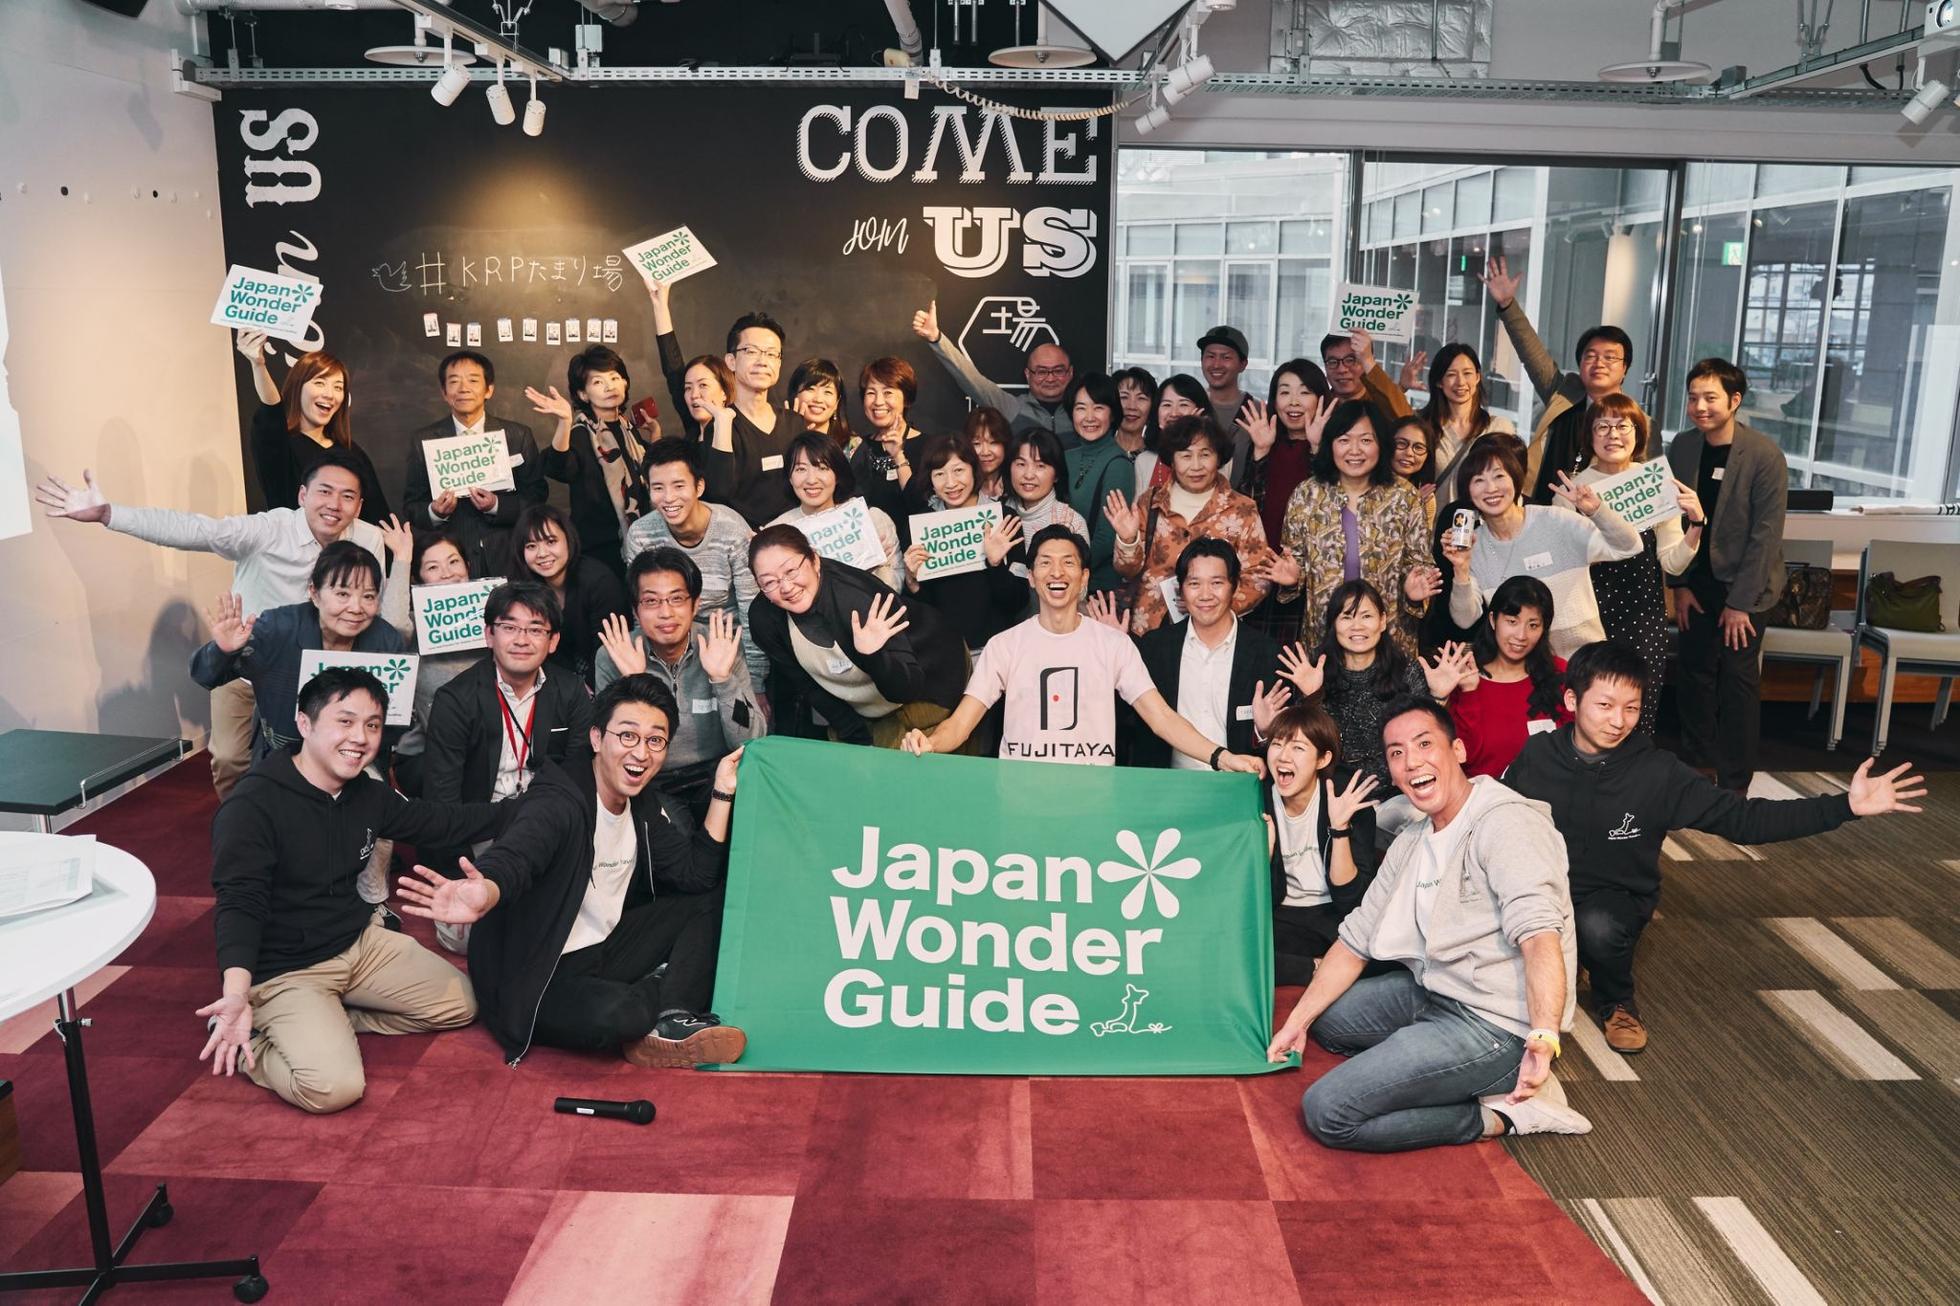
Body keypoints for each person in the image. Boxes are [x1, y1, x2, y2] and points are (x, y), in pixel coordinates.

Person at [1504, 640, 1925, 1053]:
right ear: (1573, 700)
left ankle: (1616, 999)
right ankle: (1570, 953)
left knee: (1600, 927)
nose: (1619, 721)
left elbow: (1746, 820)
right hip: (1543, 890)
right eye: (1605, 705)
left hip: (1613, 897)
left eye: (1631, 708)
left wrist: (1844, 806)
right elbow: (1497, 816)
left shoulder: (1658, 774)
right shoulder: (1539, 754)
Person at [1266, 697, 1590, 1150]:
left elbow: (1539, 936)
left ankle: (1501, 1115)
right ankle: (1438, 1065)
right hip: (1435, 989)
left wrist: (1543, 1034)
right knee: (1328, 1021)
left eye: (1424, 744)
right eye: (1397, 753)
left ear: (1458, 750)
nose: (1412, 762)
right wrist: (1297, 1022)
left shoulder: (1506, 823)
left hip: (1496, 1022)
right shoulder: (1415, 838)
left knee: (1329, 1111)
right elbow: (1356, 938)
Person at [397, 675, 747, 1069]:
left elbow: (695, 874)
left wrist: (722, 790)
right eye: (627, 736)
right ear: (597, 738)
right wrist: (488, 888)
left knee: (711, 901)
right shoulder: (558, 800)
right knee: (622, 1014)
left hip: (602, 946)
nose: (641, 752)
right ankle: (661, 991)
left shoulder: (641, 801)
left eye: (655, 741)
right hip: (540, 972)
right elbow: (520, 852)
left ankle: (672, 1016)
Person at [198, 668, 506, 1114]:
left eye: (373, 725)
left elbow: (440, 822)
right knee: (332, 1088)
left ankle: (332, 1020)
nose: (360, 738)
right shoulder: (252, 807)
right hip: (285, 969)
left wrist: (529, 809)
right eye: (344, 721)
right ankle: (259, 1038)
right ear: (304, 723)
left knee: (463, 1004)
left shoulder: (366, 793)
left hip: (356, 943)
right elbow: (239, 905)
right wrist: (235, 992)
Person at [34, 452, 384, 798]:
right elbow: (198, 530)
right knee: (230, 758)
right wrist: (110, 514)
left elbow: (372, 610)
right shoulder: (267, 530)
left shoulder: (367, 540)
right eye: (325, 491)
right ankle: (240, 822)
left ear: (359, 505)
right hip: (246, 663)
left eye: (347, 496)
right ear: (303, 495)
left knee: (325, 763)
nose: (334, 504)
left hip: (317, 675)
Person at [901, 527, 1266, 771]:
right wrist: (928, 742)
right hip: (1021, 800)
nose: (1056, 572)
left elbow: (1162, 718)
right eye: (1045, 563)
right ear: (1032, 578)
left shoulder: (1114, 645)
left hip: (1093, 804)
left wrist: (1222, 757)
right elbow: (961, 725)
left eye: (1068, 563)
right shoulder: (1005, 646)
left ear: (1084, 577)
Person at [418, 580, 594, 952]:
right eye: (509, 627)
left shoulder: (571, 692)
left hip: (545, 823)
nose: (521, 639)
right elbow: (442, 800)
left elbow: (579, 777)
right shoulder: (456, 699)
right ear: (489, 635)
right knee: (464, 941)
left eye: (535, 629)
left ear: (553, 641)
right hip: (480, 829)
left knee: (570, 927)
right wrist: (460, 871)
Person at [1668, 359, 1788, 792]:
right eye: (1693, 398)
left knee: (1737, 681)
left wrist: (1740, 605)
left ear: (1735, 400)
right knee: (1694, 674)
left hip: (1747, 588)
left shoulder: (1764, 455)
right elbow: (1671, 522)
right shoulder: (1682, 447)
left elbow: (1765, 537)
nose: (1700, 406)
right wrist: (1679, 585)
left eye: (1710, 397)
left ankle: (1735, 782)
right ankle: (1697, 767)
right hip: (1697, 582)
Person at [746, 525, 969, 747]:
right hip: (863, 702)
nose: (785, 587)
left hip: (926, 680)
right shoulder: (764, 618)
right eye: (769, 582)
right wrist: (857, 737)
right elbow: (807, 684)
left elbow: (906, 689)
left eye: (791, 571)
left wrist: (874, 655)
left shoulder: (856, 601)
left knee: (903, 755)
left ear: (814, 560)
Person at [190, 538, 406, 763]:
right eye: (343, 594)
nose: (356, 608)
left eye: (368, 596)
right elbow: (203, 675)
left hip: (357, 760)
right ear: (314, 593)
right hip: (286, 758)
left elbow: (395, 724)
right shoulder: (278, 628)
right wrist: (224, 650)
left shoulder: (386, 640)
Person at [595, 548, 765, 819]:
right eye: (651, 601)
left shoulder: (720, 644)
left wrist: (722, 679)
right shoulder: (615, 654)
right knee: (674, 836)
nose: (666, 613)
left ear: (695, 604)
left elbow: (751, 741)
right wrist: (635, 683)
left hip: (719, 771)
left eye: (676, 599)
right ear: (636, 610)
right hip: (651, 780)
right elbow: (608, 749)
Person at [1258, 400, 1437, 657]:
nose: (1354, 450)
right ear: (1330, 444)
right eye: (1344, 440)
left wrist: (1414, 592)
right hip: (1324, 638)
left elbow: (1419, 563)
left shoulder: (1404, 497)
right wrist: (1293, 580)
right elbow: (1294, 561)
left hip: (1390, 641)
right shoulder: (1306, 495)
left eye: (1366, 440)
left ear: (1381, 444)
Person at [1574, 392, 1706, 736]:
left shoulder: (1654, 482)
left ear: (1639, 434)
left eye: (1623, 426)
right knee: (1589, 707)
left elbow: (1673, 564)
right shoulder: (1574, 488)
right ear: (1590, 435)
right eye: (1603, 426)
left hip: (1642, 614)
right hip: (1587, 612)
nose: (1613, 435)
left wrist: (1696, 524)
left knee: (1636, 710)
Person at [1443, 435, 1642, 659]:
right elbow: (1465, 619)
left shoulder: (1556, 520)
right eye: (1478, 480)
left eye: (1499, 476)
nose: (1491, 488)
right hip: (1524, 668)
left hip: (1583, 662)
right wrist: (1461, 568)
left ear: (1515, 479)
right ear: (1468, 492)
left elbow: (1629, 547)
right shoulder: (1473, 545)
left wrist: (1597, 510)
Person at [1482, 253, 1643, 504]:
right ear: (1580, 363)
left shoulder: (1636, 421)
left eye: (1610, 357)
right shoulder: (1563, 393)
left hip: (1595, 518)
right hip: (1542, 507)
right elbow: (1532, 353)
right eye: (1590, 356)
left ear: (1625, 368)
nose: (1599, 363)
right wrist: (1508, 305)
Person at [1124, 539, 1293, 770]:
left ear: (1234, 586)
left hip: (1236, 781)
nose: (1205, 595)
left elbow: (1286, 742)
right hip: (1167, 784)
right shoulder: (1154, 648)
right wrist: (1113, 652)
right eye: (1194, 583)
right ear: (1181, 589)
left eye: (1216, 583)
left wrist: (1262, 732)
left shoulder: (1267, 653)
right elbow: (1129, 723)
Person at [1284, 579, 1462, 790]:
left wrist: (1439, 696)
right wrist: (1312, 696)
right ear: (1333, 625)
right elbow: (1305, 745)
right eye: (1346, 617)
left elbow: (1426, 736)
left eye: (1366, 616)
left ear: (1383, 621)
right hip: (1337, 791)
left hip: (1402, 791)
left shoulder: (1406, 671)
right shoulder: (1315, 673)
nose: (1357, 626)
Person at [1106, 414, 1273, 636]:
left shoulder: (1242, 509)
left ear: (1219, 458)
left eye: (1205, 455)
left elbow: (1258, 578)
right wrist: (1128, 540)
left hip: (1214, 632)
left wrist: (1210, 606)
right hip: (1149, 628)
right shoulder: (1150, 501)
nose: (1196, 466)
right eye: (1186, 455)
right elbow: (1127, 570)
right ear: (1172, 460)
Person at [620, 438, 766, 687]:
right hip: (670, 650)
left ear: (699, 486)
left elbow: (752, 612)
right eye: (658, 488)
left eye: (679, 486)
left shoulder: (731, 530)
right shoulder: (641, 534)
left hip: (728, 648)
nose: (668, 498)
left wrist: (755, 681)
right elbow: (642, 611)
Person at [1260, 701, 1381, 985]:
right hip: (1283, 916)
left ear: (1323, 759)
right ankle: (1317, 968)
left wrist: (1339, 829)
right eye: (1277, 744)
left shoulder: (1346, 796)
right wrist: (1262, 855)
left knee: (1387, 952)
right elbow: (1247, 899)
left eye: (1298, 748)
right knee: (1238, 950)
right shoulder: (1257, 797)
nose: (1283, 757)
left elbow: (1351, 900)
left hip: (1335, 914)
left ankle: (1327, 967)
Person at [400, 350, 547, 578]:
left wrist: (497, 505)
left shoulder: (517, 436)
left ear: (489, 390)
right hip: (452, 564)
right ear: (444, 393)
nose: (463, 388)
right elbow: (412, 507)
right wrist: (435, 512)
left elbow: (537, 497)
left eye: (473, 380)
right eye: (454, 381)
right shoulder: (423, 440)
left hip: (509, 557)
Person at [525, 345, 653, 580]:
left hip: (644, 544)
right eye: (597, 382)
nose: (609, 386)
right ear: (583, 394)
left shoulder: (629, 430)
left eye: (614, 378)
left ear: (625, 383)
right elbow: (561, 467)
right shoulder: (582, 434)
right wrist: (565, 422)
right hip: (600, 552)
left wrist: (655, 438)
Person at [236, 331, 390, 524]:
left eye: (338, 387)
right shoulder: (279, 445)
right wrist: (258, 364)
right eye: (319, 383)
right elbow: (272, 410)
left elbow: (378, 517)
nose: (329, 394)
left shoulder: (352, 452)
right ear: (297, 387)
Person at [380, 525, 486, 798]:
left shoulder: (491, 614)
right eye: (433, 567)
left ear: (468, 567)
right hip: (428, 751)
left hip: (488, 742)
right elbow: (391, 627)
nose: (447, 573)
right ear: (418, 579)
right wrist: (402, 559)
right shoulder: (413, 623)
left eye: (454, 562)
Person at [901, 436, 1028, 654]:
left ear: (974, 470)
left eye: (958, 470)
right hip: (947, 653)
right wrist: (912, 583)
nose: (950, 483)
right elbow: (922, 613)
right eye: (939, 474)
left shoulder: (1003, 519)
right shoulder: (920, 529)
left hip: (998, 649)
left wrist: (995, 565)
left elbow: (1018, 601)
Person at [1438, 575, 1569, 777]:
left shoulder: (1559, 672)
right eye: (1512, 622)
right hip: (1486, 793)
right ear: (1493, 620)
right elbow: (1466, 758)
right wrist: (1468, 692)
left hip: (1552, 789)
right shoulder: (1465, 676)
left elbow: (1577, 745)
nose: (1521, 635)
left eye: (1533, 625)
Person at [912, 298, 1075, 446]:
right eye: (1041, 372)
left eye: (1058, 370)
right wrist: (936, 339)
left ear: (1070, 373)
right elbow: (971, 379)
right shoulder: (1012, 408)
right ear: (1028, 374)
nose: (1050, 378)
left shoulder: (1081, 412)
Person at [508, 504, 629, 686]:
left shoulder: (599, 582)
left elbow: (607, 651)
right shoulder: (524, 589)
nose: (542, 553)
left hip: (607, 675)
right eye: (531, 546)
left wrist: (581, 693)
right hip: (558, 682)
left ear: (568, 539)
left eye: (551, 542)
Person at [767, 431, 904, 588]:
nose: (811, 480)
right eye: (801, 469)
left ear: (837, 474)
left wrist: (879, 567)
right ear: (790, 477)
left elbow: (896, 580)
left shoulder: (872, 519)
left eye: (822, 468)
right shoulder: (776, 533)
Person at [1060, 374, 1135, 597]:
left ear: (1112, 414)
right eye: (1081, 408)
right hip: (1061, 581)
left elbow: (1107, 537)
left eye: (1098, 407)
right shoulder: (1065, 457)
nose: (1089, 417)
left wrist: (1066, 569)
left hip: (1096, 589)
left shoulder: (1118, 464)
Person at [646, 276, 737, 444]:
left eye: (703, 385)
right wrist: (660, 306)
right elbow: (672, 367)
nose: (694, 395)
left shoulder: (737, 435)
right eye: (688, 388)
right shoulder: (694, 430)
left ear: (724, 392)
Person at [1420, 344, 1514, 503]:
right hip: (1434, 518)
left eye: (1467, 373)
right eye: (1451, 374)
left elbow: (1512, 482)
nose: (1460, 382)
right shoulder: (1422, 426)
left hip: (1481, 518)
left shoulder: (1499, 428)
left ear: (1477, 377)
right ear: (1439, 382)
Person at [848, 356, 930, 537]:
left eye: (888, 392)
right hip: (872, 550)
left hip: (917, 549)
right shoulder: (857, 448)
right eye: (871, 393)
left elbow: (925, 510)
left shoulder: (930, 447)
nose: (878, 401)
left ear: (906, 399)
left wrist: (899, 456)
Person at [1003, 428, 1089, 560]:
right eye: (1021, 464)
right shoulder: (995, 514)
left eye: (1040, 466)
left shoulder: (1071, 522)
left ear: (1056, 475)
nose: (1029, 475)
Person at [1133, 373, 1209, 492]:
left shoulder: (1214, 459)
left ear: (1201, 410)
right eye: (1167, 405)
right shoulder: (1144, 461)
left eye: (1183, 404)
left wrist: (1191, 434)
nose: (1174, 413)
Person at [1319, 328, 1414, 419]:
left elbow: (1406, 420)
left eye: (1350, 360)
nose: (1341, 369)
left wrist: (1368, 360)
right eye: (1332, 362)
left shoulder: (1380, 405)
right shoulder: (1318, 405)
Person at [1196, 324, 1252, 434]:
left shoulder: (1257, 410)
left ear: (1243, 364)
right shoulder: (1189, 405)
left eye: (1226, 357)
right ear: (1201, 361)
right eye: (1211, 356)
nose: (1216, 365)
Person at [786, 357, 854, 446]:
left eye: (827, 392)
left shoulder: (852, 446)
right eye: (810, 389)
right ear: (795, 395)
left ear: (837, 402)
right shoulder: (780, 438)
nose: (818, 399)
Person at [1387, 414, 1439, 529]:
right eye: (1401, 443)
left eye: (1418, 447)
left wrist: (1415, 509)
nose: (1409, 453)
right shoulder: (1365, 483)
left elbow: (1419, 539)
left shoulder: (1426, 497)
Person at [1112, 366, 1157, 459]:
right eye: (1124, 397)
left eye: (1141, 398)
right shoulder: (1099, 452)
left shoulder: (1159, 459)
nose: (1132, 406)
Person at [968, 407, 1010, 501]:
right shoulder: (960, 488)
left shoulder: (1017, 484)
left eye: (993, 442)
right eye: (976, 443)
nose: (985, 452)